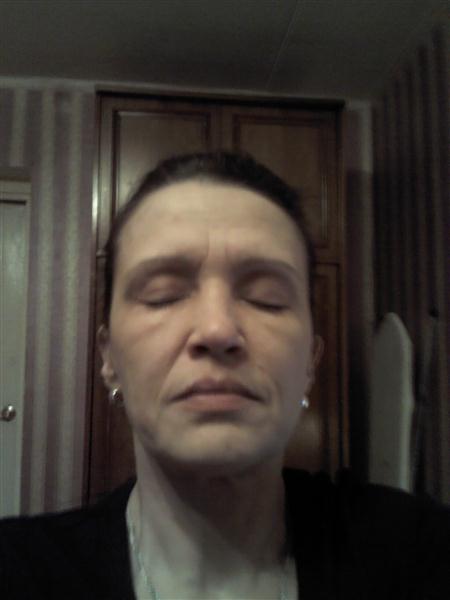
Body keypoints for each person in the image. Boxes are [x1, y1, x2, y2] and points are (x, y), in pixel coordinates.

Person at [0, 151, 449, 600]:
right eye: (162, 295)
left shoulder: (418, 552)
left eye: (267, 298)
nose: (217, 330)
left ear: (310, 362)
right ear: (109, 357)